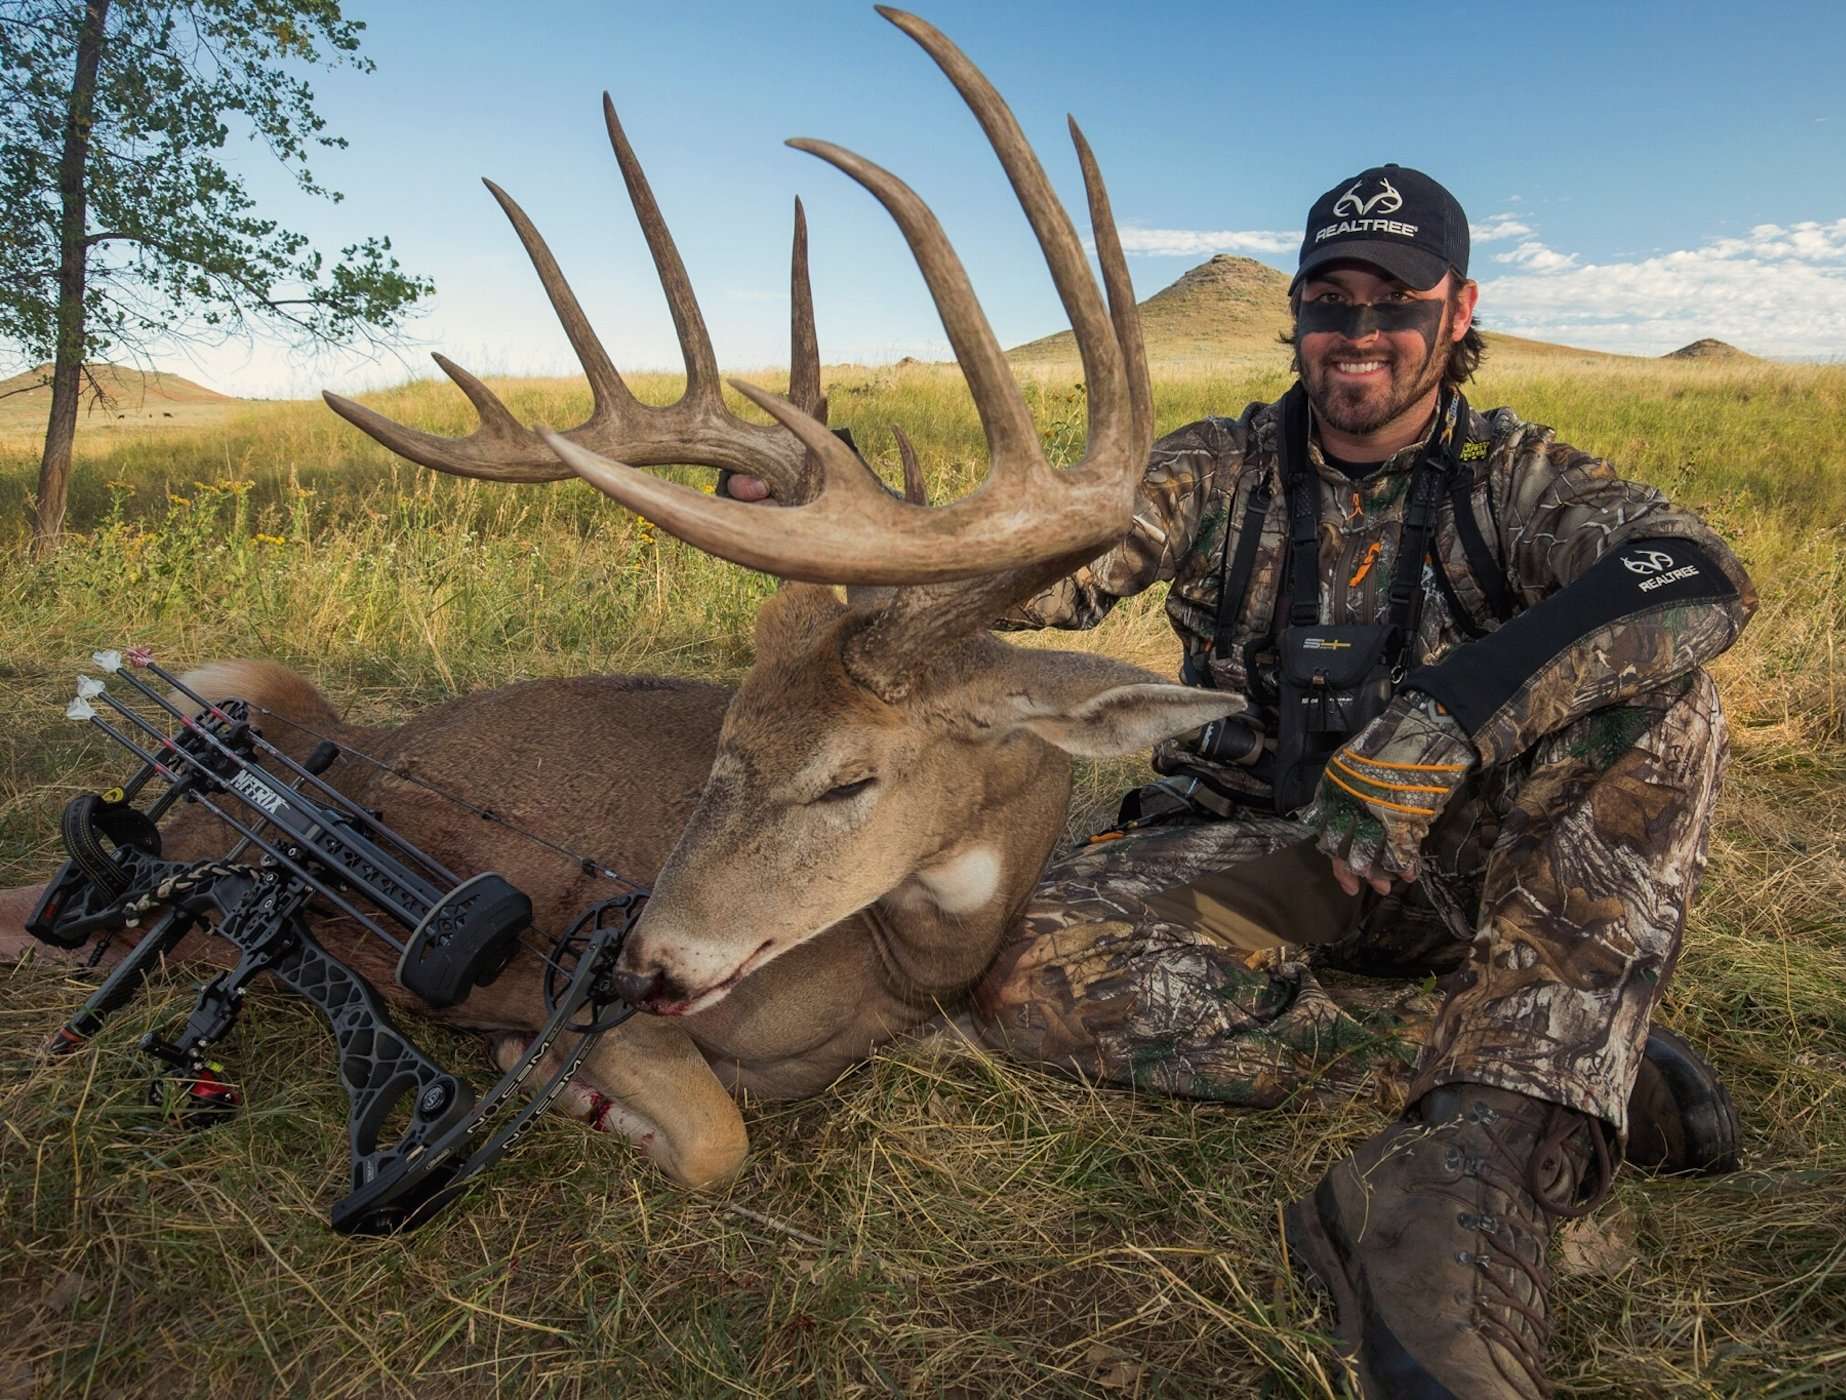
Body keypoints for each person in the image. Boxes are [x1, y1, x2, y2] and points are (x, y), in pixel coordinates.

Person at [728, 165, 1755, 1399]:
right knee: (1025, 975)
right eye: (1331, 299)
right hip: (1284, 874)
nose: (1360, 331)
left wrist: (1447, 717)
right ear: (1297, 315)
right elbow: (1043, 575)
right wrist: (857, 519)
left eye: (1396, 298)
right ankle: (1543, 1039)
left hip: (1466, 874)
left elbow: (1694, 571)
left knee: (1671, 696)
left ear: (1459, 311)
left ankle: (1470, 1168)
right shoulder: (1217, 469)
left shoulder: (1517, 476)